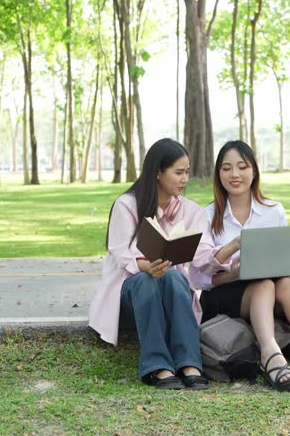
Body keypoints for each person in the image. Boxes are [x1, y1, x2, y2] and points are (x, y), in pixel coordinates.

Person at [190, 140, 290, 391]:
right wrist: (234, 272)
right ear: (218, 174)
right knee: (264, 283)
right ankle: (270, 354)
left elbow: (284, 261)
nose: (235, 174)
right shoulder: (207, 215)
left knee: (282, 282)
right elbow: (199, 278)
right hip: (223, 295)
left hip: (271, 289)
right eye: (226, 168)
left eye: (242, 167)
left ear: (254, 171)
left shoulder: (273, 210)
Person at [88, 138, 212, 390]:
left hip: (171, 290)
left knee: (176, 276)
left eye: (187, 172)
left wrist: (229, 252)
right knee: (148, 278)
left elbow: (203, 253)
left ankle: (189, 363)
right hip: (130, 294)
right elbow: (121, 252)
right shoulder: (128, 204)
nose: (185, 179)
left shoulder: (192, 211)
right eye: (178, 172)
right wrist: (147, 266)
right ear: (158, 172)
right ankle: (157, 366)